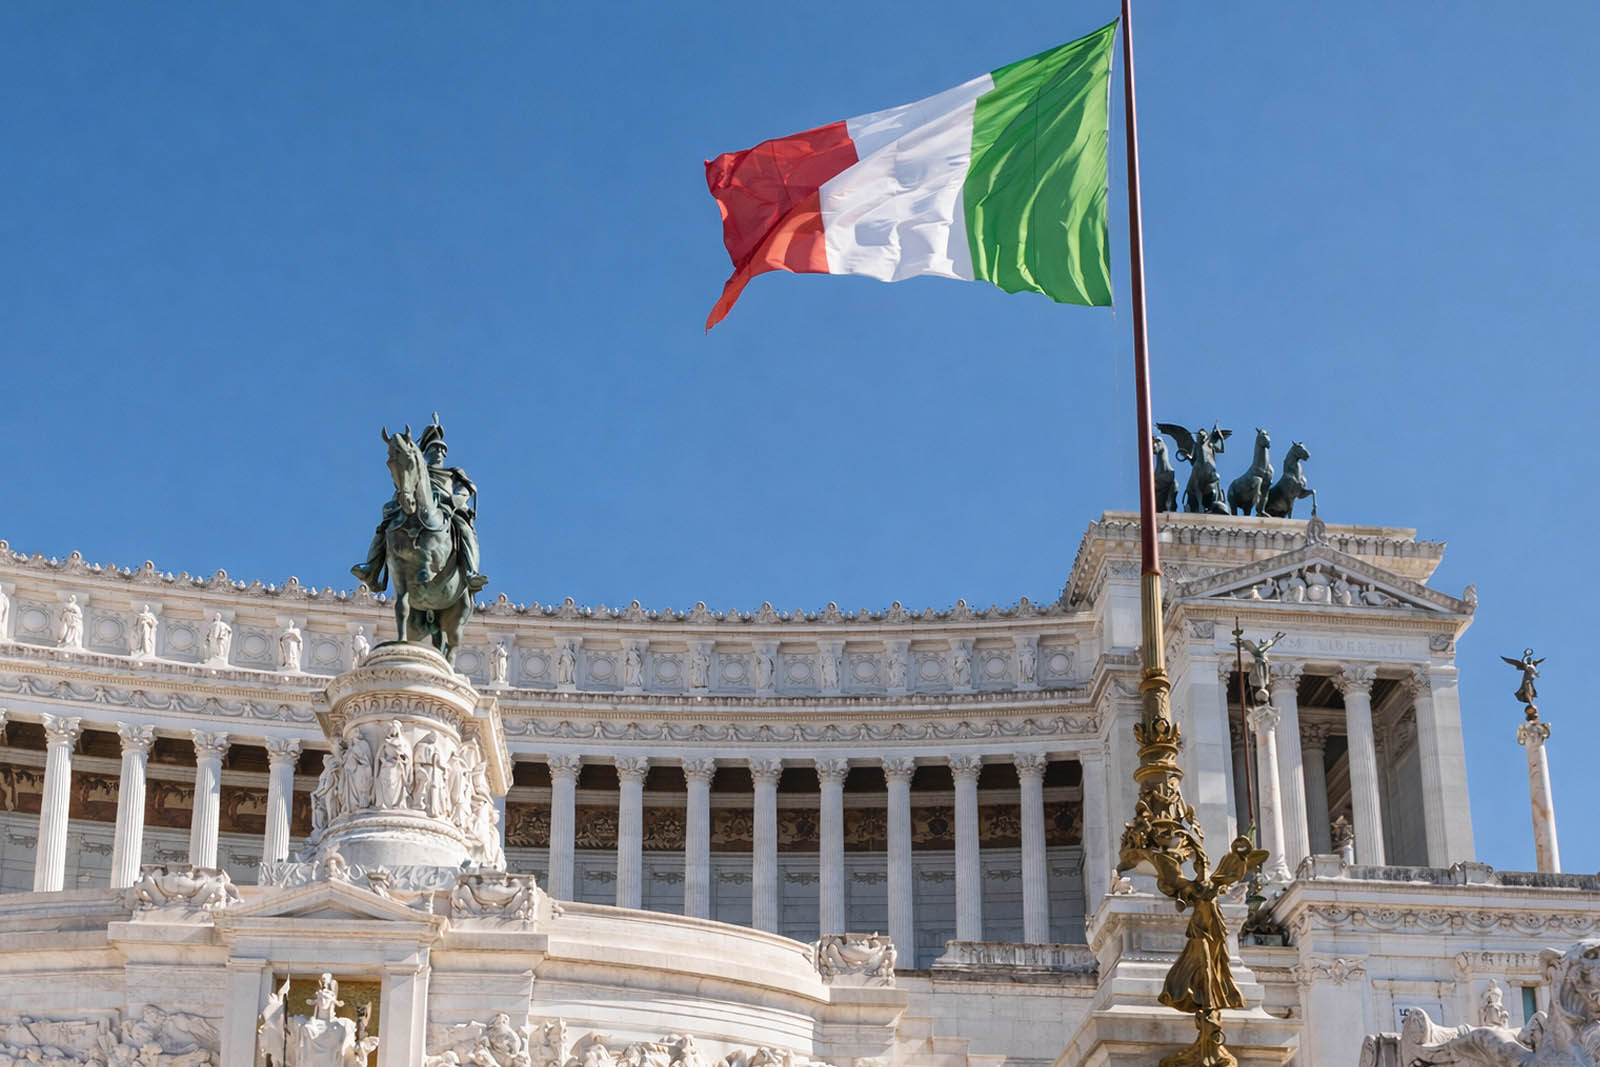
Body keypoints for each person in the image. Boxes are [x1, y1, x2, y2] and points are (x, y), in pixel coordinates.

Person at [351, 414, 487, 594]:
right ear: (427, 453)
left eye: (442, 449)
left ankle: (471, 572)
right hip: (417, 505)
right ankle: (372, 567)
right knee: (387, 525)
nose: (439, 452)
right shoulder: (419, 470)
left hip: (448, 507)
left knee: (464, 529)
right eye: (435, 449)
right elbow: (404, 482)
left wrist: (458, 498)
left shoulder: (453, 473)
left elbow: (467, 488)